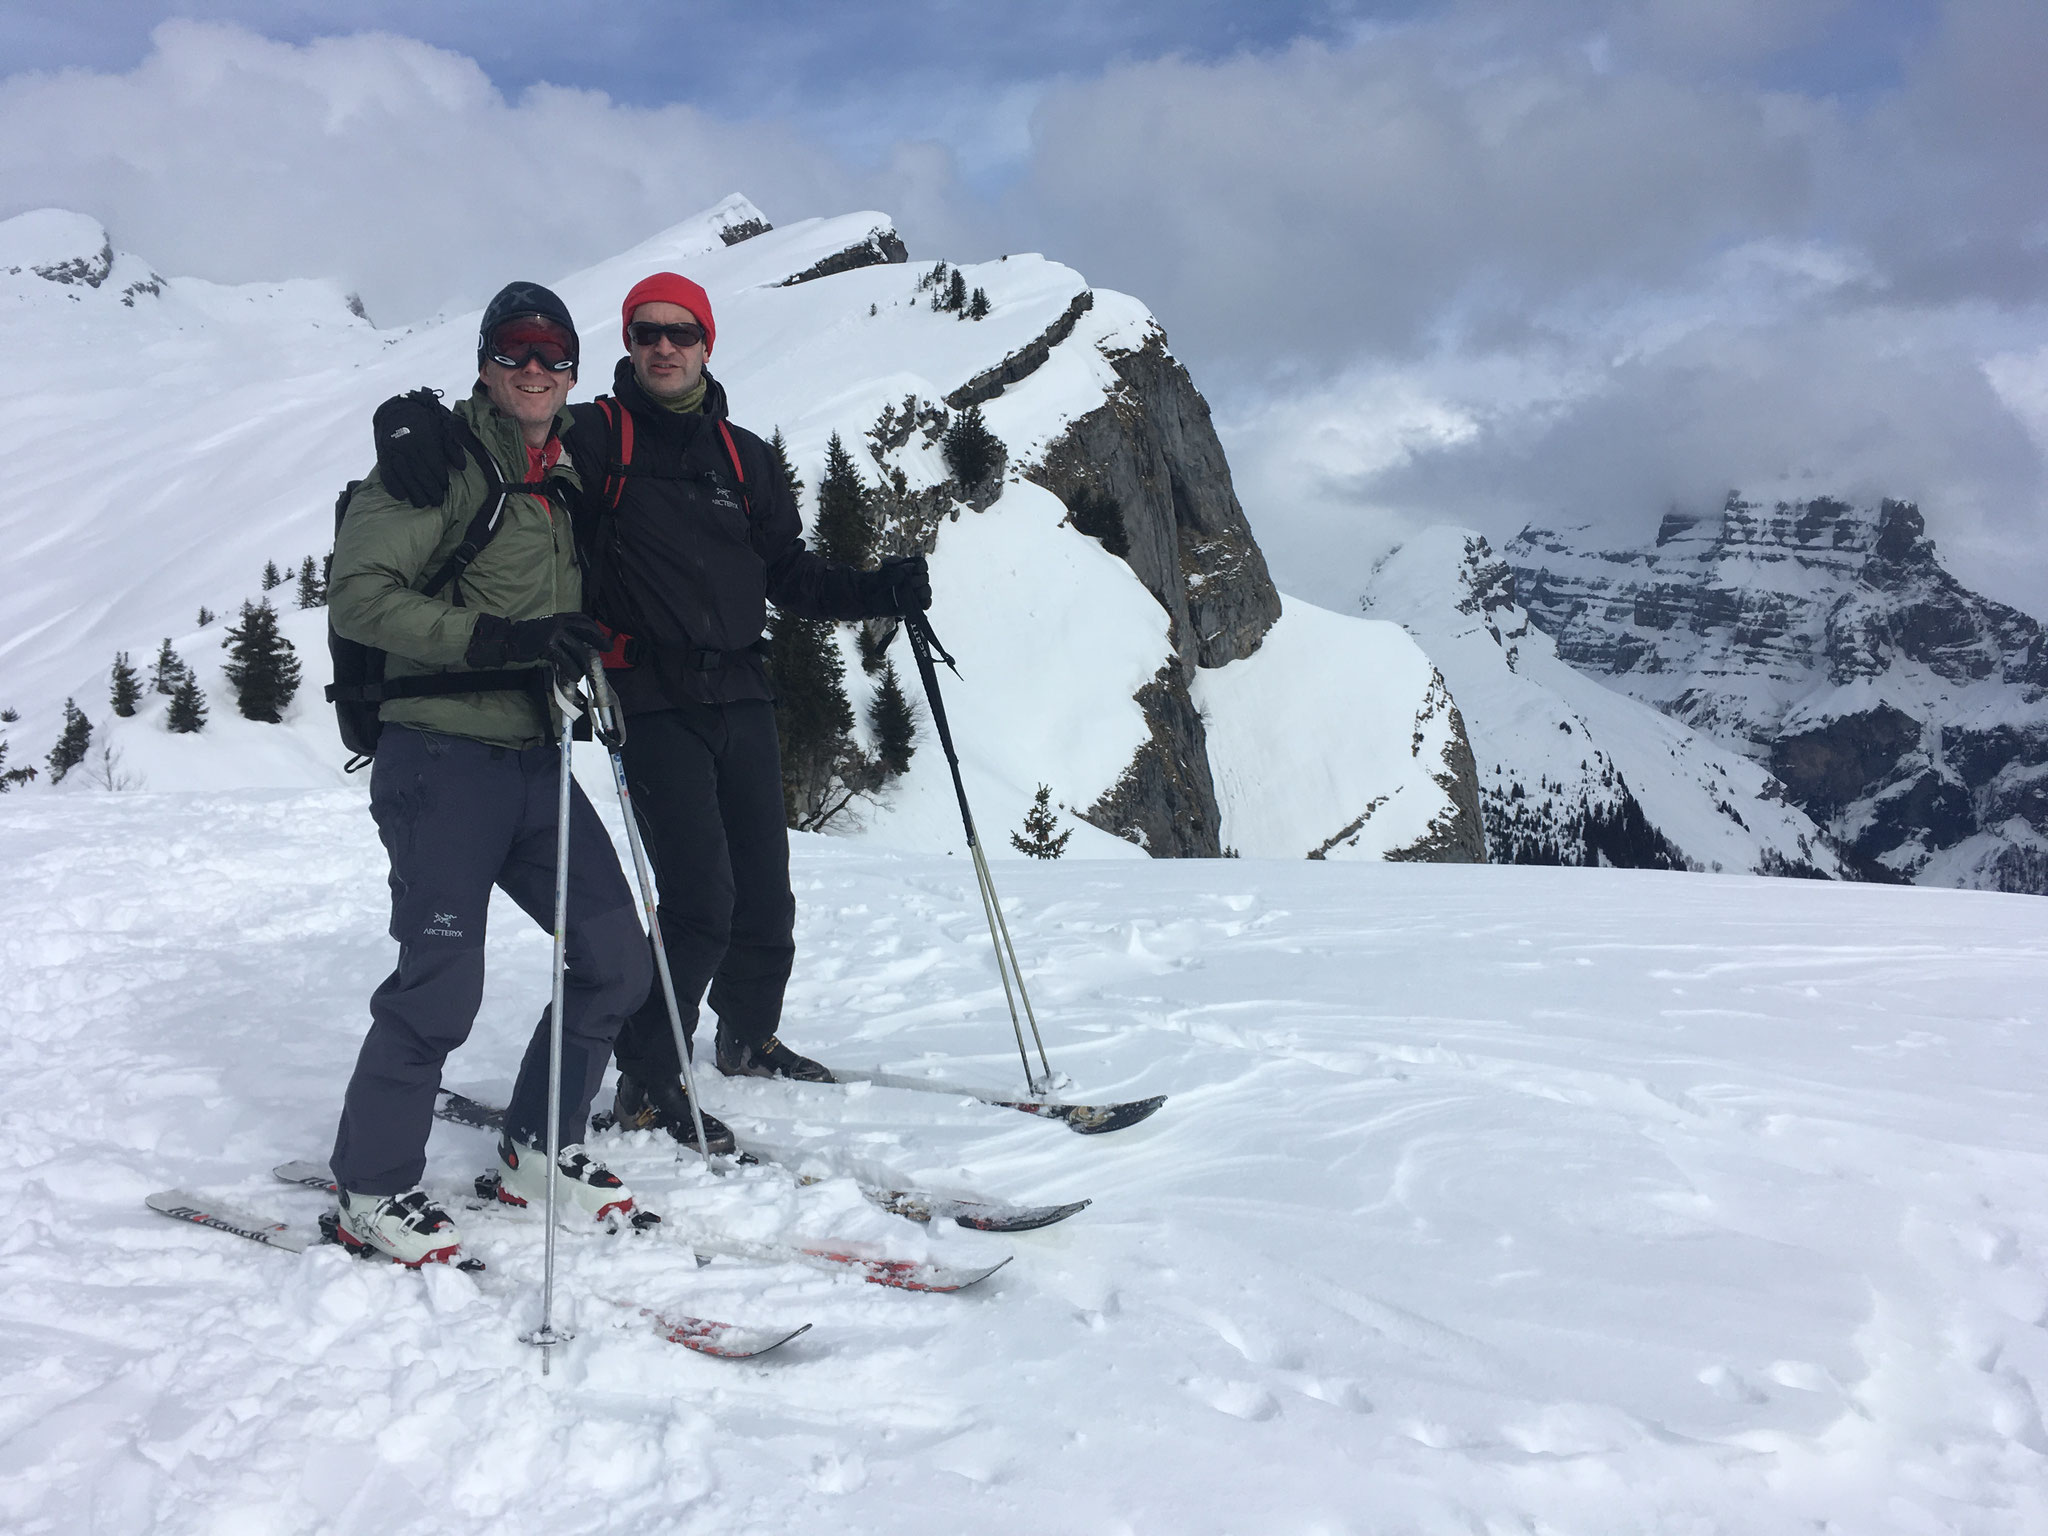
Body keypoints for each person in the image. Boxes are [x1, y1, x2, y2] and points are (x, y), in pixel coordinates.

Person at [375, 271, 930, 1156]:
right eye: (646, 332)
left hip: (741, 691)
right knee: (699, 898)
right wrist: (406, 418)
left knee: (765, 894)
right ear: (628, 344)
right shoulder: (595, 434)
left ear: (707, 344)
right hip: (649, 697)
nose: (663, 347)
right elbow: (505, 420)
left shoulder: (745, 457)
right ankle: (647, 1070)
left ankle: (746, 1034)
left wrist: (878, 590)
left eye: (681, 332)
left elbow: (789, 576)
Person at [326, 281, 652, 1265]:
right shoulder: (437, 465)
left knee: (616, 961)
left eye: (555, 353)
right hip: (440, 759)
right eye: (516, 350)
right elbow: (357, 597)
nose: (536, 368)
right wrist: (497, 638)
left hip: (535, 761)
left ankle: (536, 1148)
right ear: (485, 360)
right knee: (441, 987)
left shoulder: (561, 473)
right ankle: (372, 1188)